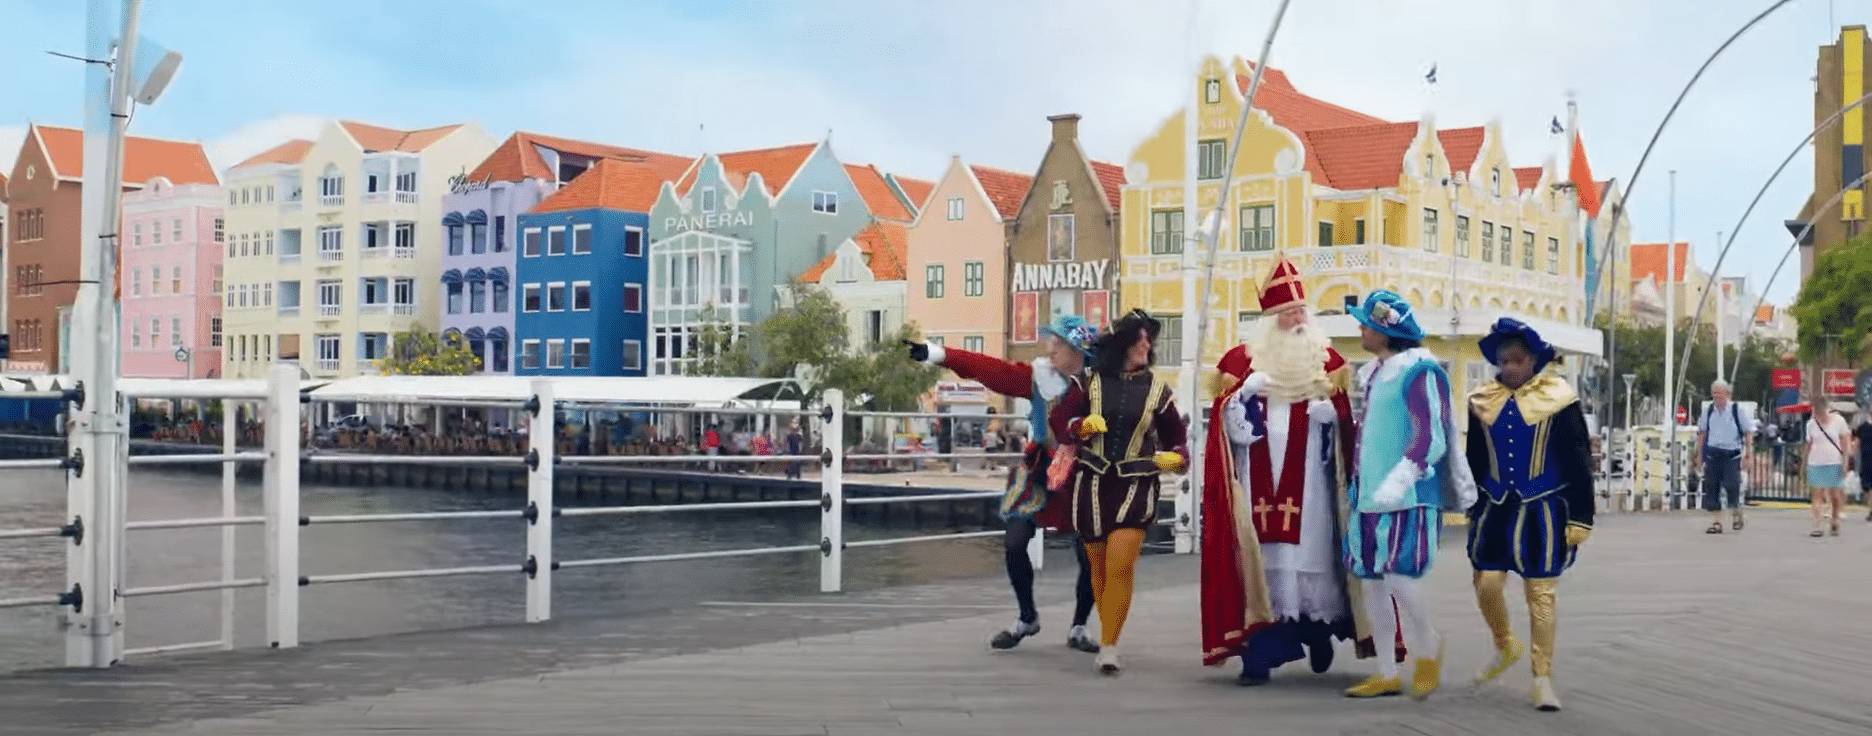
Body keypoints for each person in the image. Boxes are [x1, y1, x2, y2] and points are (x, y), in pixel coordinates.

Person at [1200, 256, 1399, 687]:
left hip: (1312, 485)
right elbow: (1224, 433)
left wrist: (1335, 420)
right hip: (1256, 479)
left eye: (1301, 311)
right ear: (1271, 319)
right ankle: (1260, 655)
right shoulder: (1241, 363)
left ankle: (1316, 632)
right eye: (1289, 313)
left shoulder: (1326, 362)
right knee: (1263, 566)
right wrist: (1239, 400)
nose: (1299, 320)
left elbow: (1348, 434)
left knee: (1311, 561)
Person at [905, 318, 1102, 654]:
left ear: (1076, 352)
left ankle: (1079, 626)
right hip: (1039, 469)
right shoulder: (1037, 377)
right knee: (1014, 542)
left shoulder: (1099, 389)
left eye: (1058, 345)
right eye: (1052, 342)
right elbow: (990, 370)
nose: (1050, 349)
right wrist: (939, 354)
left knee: (1089, 554)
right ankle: (1027, 617)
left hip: (1081, 474)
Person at [1342, 290, 1476, 699]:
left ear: (1385, 331)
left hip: (1409, 493)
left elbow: (1431, 434)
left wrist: (1401, 478)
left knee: (1399, 575)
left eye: (1367, 323)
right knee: (1371, 582)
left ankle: (1428, 647)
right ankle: (1386, 670)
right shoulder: (1376, 374)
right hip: (1369, 494)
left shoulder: (1421, 371)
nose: (1361, 328)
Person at [1462, 318, 1595, 712]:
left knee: (1540, 594)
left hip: (1543, 508)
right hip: (1496, 506)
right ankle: (1505, 644)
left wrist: (1581, 516)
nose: (1510, 368)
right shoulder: (1482, 400)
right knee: (1487, 583)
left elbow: (1578, 459)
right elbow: (1475, 458)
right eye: (1504, 361)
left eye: (1517, 360)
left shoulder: (1559, 399)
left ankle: (1542, 677)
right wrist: (1470, 500)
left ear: (1533, 361)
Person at [1051, 308, 1190, 674]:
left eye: (1148, 340)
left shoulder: (1158, 391)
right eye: (1138, 339)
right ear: (1122, 344)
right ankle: (1108, 633)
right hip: (1091, 485)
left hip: (1136, 483)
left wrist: (1177, 457)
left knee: (1121, 564)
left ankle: (1109, 646)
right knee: (1098, 568)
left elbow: (1177, 438)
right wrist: (1081, 426)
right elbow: (1060, 421)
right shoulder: (1088, 382)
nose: (1146, 345)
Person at [1694, 380, 1755, 534]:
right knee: (1712, 487)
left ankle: (1735, 511)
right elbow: (1702, 433)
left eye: (1719, 393)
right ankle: (1716, 522)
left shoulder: (1736, 410)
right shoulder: (1708, 411)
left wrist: (1748, 453)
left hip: (1731, 454)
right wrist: (1699, 454)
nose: (1717, 397)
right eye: (1714, 393)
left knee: (1731, 485)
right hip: (1713, 454)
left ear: (1727, 394)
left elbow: (1748, 432)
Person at [1805, 404, 1852, 537]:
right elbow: (1809, 444)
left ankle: (1835, 519)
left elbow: (1845, 442)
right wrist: (1804, 463)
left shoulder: (1839, 421)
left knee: (1835, 496)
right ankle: (1817, 525)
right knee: (1817, 496)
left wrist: (1845, 463)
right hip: (1815, 463)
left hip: (1834, 462)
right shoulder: (1811, 424)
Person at [1855, 412, 1872, 520]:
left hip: (1865, 459)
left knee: (1868, 485)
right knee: (1867, 486)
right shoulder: (1862, 427)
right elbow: (1857, 443)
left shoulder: (1862, 427)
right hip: (1866, 460)